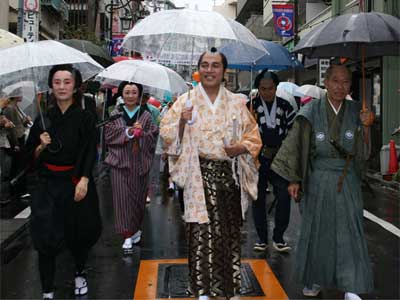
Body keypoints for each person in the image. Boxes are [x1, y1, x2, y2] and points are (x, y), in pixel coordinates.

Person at [160, 48, 262, 300]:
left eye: (215, 65)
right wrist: (182, 122)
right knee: (200, 235)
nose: (209, 70)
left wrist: (240, 147)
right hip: (199, 175)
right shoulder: (187, 101)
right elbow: (167, 134)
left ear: (224, 71)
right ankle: (203, 290)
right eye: (204, 65)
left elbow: (253, 136)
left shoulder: (237, 102)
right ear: (198, 69)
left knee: (229, 233)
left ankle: (228, 287)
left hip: (228, 176)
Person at [271, 64, 374, 300]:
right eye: (335, 81)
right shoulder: (310, 112)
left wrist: (366, 129)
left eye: (346, 81)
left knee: (350, 231)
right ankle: (314, 278)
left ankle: (351, 283)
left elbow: (364, 152)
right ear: (325, 83)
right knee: (317, 230)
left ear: (350, 85)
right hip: (317, 178)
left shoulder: (358, 112)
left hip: (347, 179)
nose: (340, 86)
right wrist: (295, 179)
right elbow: (296, 145)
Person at [24, 64, 102, 299]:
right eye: (57, 82)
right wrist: (41, 146)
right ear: (50, 86)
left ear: (75, 86)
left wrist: (85, 179)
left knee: (79, 231)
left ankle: (79, 272)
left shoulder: (86, 117)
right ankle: (47, 288)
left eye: (67, 82)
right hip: (48, 184)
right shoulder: (43, 118)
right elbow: (29, 157)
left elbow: (90, 151)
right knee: (44, 234)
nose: (62, 87)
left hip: (75, 181)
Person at [104, 81, 158, 251]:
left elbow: (153, 135)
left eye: (134, 92)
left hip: (139, 163)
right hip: (119, 163)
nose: (130, 96)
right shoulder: (115, 113)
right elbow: (109, 134)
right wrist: (128, 132)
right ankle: (127, 234)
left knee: (138, 200)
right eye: (127, 92)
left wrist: (142, 133)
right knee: (122, 199)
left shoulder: (146, 116)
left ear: (139, 95)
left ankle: (134, 229)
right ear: (121, 94)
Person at [248, 70, 295, 252]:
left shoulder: (285, 106)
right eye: (263, 88)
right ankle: (262, 238)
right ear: (258, 88)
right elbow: (242, 133)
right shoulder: (250, 106)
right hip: (258, 159)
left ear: (276, 88)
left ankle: (279, 237)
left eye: (270, 88)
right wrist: (249, 121)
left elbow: (293, 133)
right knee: (258, 198)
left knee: (283, 197)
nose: (267, 92)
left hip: (280, 158)